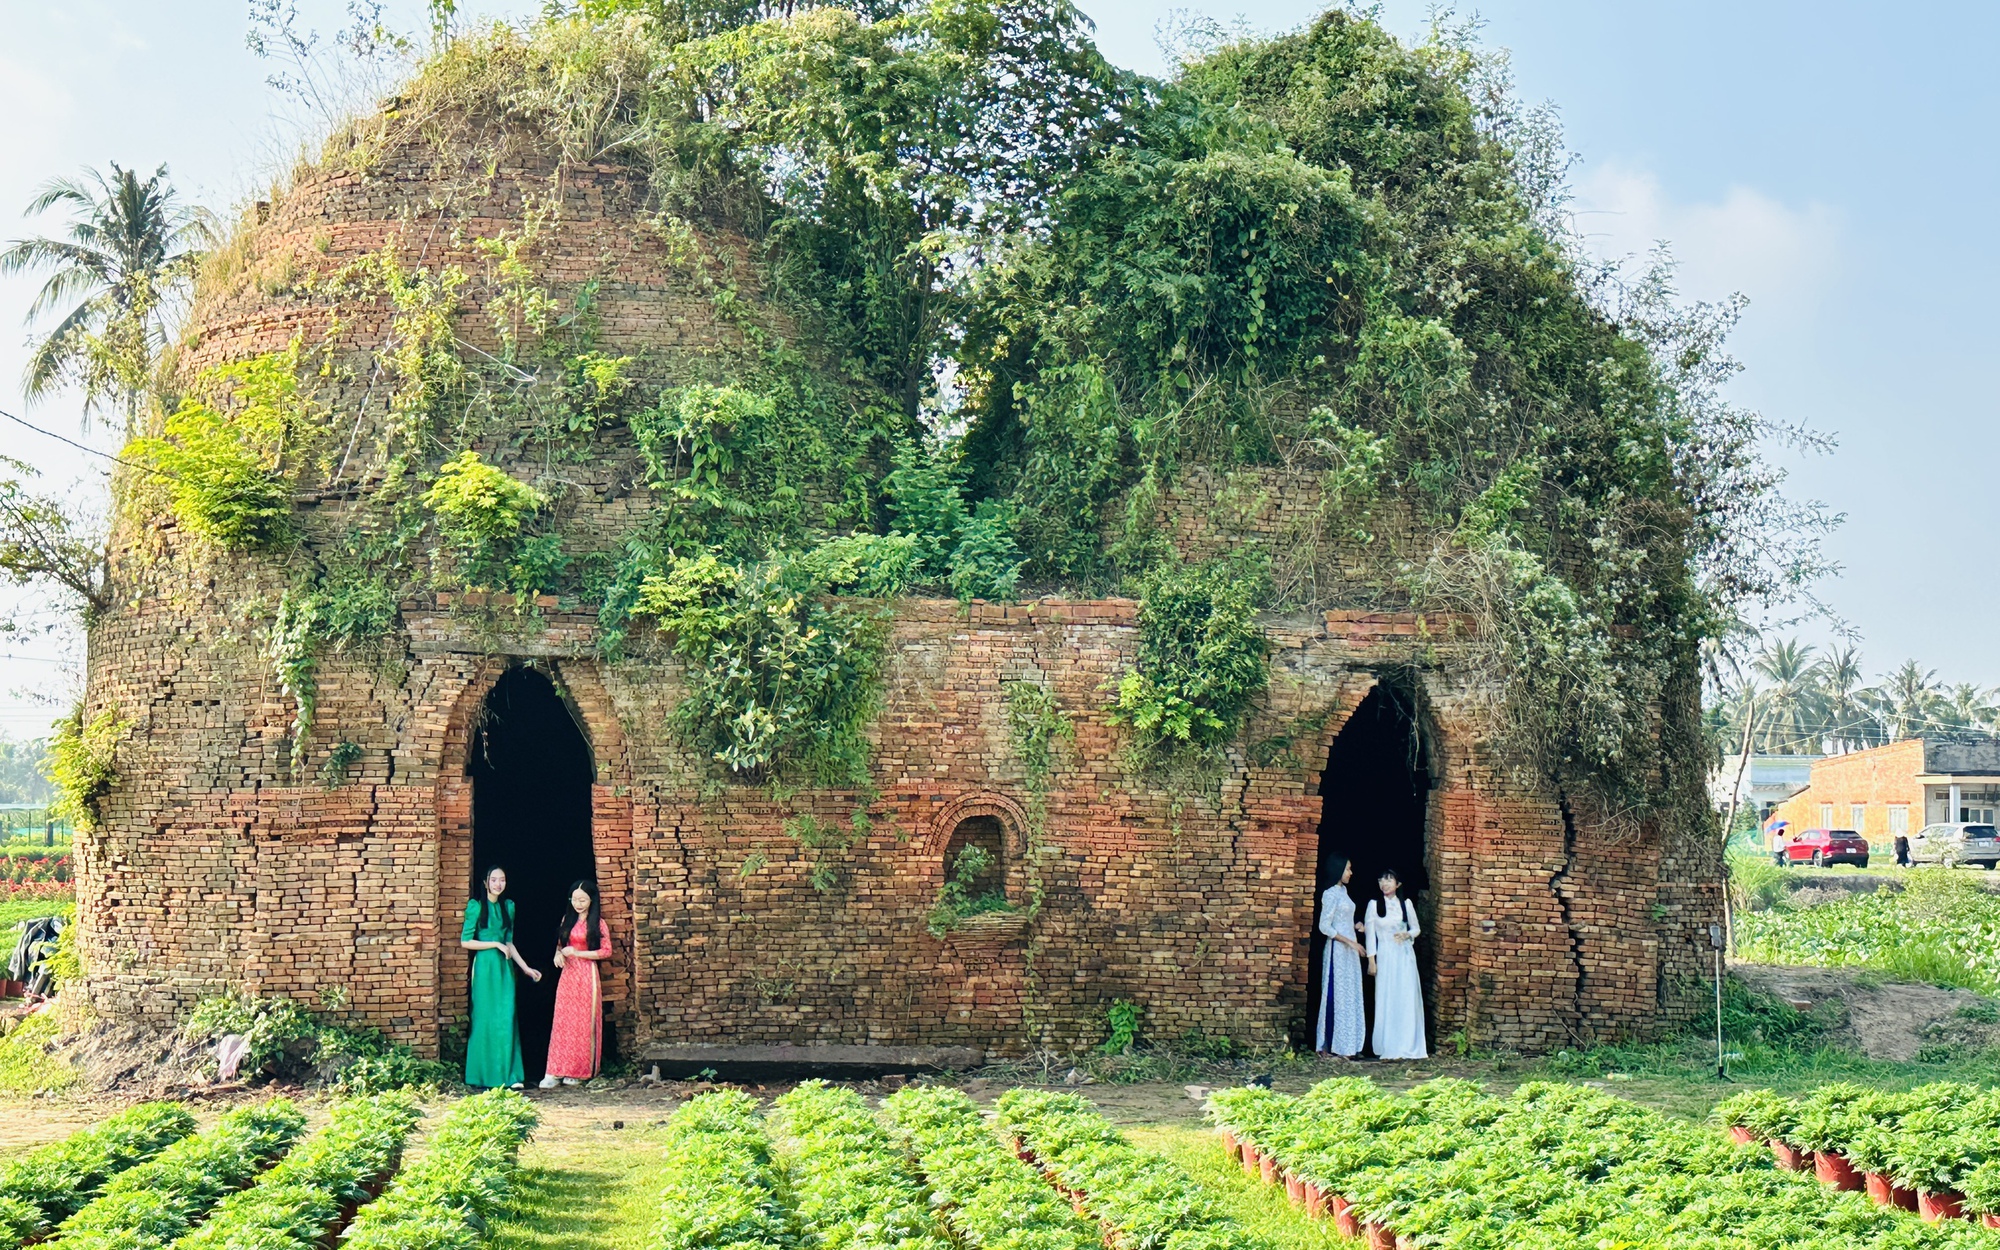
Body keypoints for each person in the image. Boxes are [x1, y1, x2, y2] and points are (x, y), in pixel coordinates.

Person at [460, 865, 541, 1089]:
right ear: (485, 883)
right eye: (493, 880)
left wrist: (525, 968)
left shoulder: (508, 907)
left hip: (504, 969)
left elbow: (509, 943)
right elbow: (466, 942)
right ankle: (483, 1076)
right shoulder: (475, 906)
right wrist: (494, 943)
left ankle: (511, 1075)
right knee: (485, 1019)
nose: (498, 884)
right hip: (485, 967)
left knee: (506, 1017)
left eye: (502, 880)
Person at [541, 879, 614, 1088]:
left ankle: (579, 1071)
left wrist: (579, 953)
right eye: (575, 899)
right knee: (563, 1021)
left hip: (586, 974)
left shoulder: (598, 923)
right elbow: (561, 944)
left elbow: (606, 951)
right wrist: (558, 954)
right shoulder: (567, 919)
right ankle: (555, 1070)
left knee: (582, 1022)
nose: (578, 904)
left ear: (592, 900)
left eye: (583, 900)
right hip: (568, 975)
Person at [1365, 869, 1427, 1060]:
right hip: (1385, 955)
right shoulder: (1374, 905)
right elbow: (1370, 935)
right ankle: (1389, 1045)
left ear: (1398, 884)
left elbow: (1416, 928)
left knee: (1406, 996)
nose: (1385, 884)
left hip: (1404, 955)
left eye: (1389, 880)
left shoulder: (1405, 904)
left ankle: (1408, 1044)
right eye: (1382, 880)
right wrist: (1371, 960)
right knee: (1387, 996)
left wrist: (1407, 934)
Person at [1315, 856, 1367, 1058]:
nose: (1350, 873)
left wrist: (1356, 927)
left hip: (1349, 951)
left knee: (1348, 995)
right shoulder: (1330, 894)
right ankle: (1328, 1046)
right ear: (1338, 870)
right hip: (1338, 949)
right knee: (1335, 993)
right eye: (1348, 869)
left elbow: (1343, 919)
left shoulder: (1344, 892)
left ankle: (1347, 1046)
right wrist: (1350, 941)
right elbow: (1325, 926)